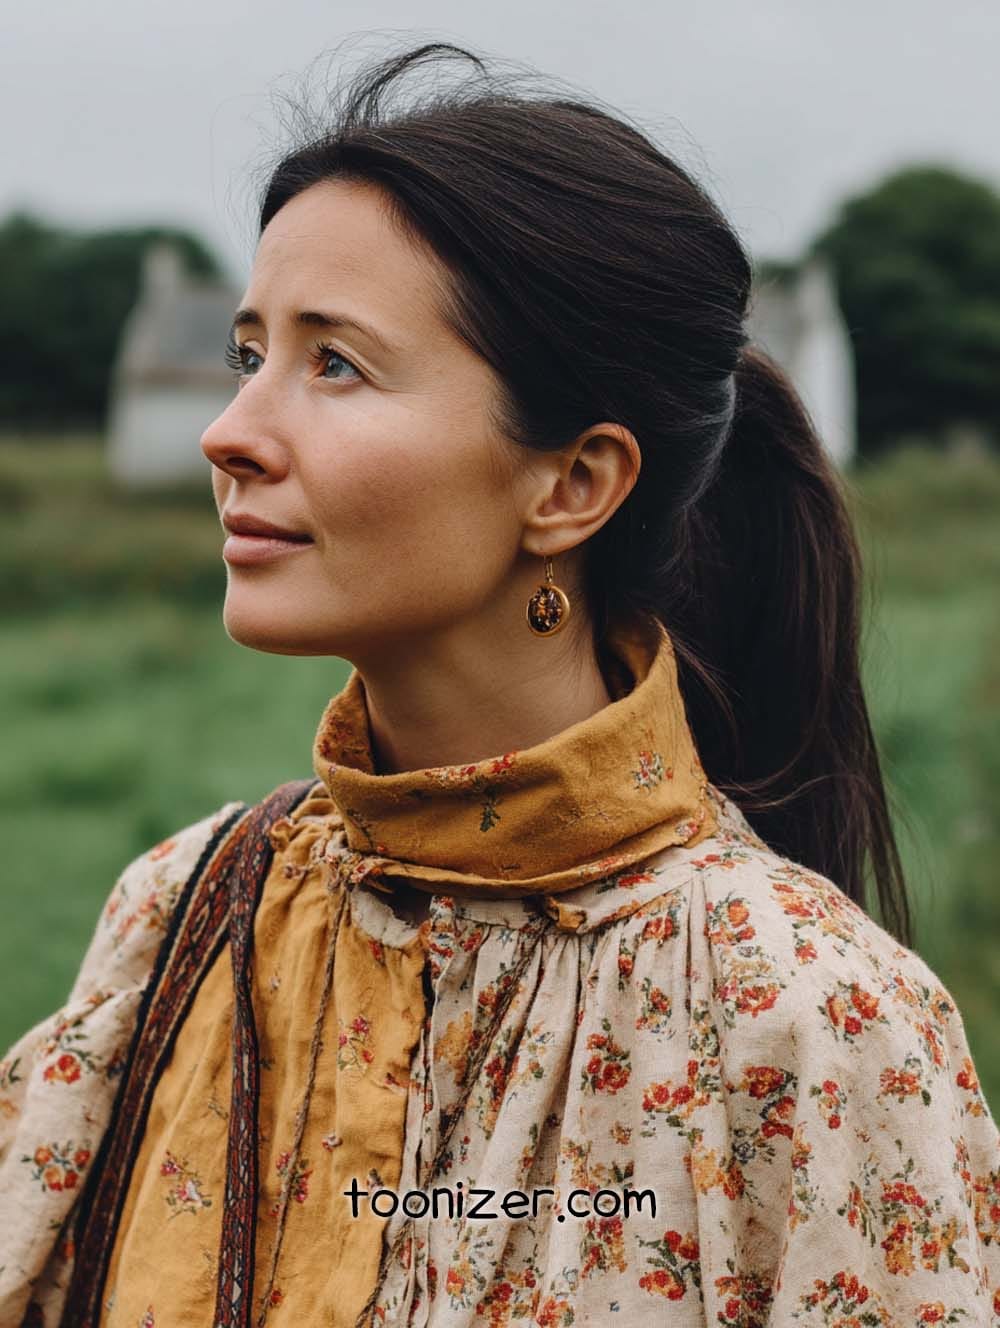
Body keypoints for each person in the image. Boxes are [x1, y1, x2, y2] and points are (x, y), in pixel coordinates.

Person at [2, 39, 998, 1328]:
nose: (230, 430)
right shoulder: (188, 919)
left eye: (336, 364)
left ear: (571, 484)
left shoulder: (810, 1025)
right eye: (253, 353)